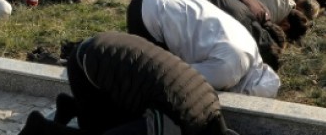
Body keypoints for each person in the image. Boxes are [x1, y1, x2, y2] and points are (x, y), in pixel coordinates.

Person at [16, 31, 235, 135]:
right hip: (88, 65)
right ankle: (40, 128)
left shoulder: (210, 103)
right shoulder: (176, 122)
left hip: (109, 49)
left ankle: (69, 107)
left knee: (116, 122)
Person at [127, 0, 280, 98]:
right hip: (150, 13)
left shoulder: (250, 46)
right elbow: (178, 77)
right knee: (147, 76)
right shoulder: (228, 73)